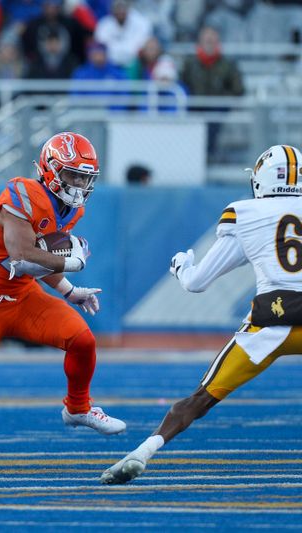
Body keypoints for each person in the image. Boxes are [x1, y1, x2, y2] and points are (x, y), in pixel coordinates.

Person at [0, 131, 126, 471]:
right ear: (50, 169)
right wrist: (69, 262)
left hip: (23, 296)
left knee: (83, 340)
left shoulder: (70, 210)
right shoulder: (23, 192)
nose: (78, 183)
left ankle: (77, 407)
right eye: (73, 174)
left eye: (84, 177)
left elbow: (35, 262)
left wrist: (69, 290)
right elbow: (20, 253)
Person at [102, 144, 302, 484]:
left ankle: (143, 452)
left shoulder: (245, 213)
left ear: (261, 180)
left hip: (271, 322)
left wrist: (181, 266)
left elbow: (197, 283)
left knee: (200, 399)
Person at [180, 26, 244, 157]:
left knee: (214, 121)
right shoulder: (190, 63)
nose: (209, 41)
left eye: (212, 38)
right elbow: (182, 85)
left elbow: (238, 89)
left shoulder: (228, 64)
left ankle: (209, 154)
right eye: (206, 38)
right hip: (195, 107)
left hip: (218, 108)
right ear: (200, 41)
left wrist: (222, 99)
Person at [93, 0, 153, 68]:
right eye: (117, 8)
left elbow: (142, 44)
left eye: (122, 8)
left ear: (128, 8)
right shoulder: (104, 25)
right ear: (112, 9)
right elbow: (101, 45)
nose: (120, 11)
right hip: (109, 62)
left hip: (134, 61)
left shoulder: (141, 22)